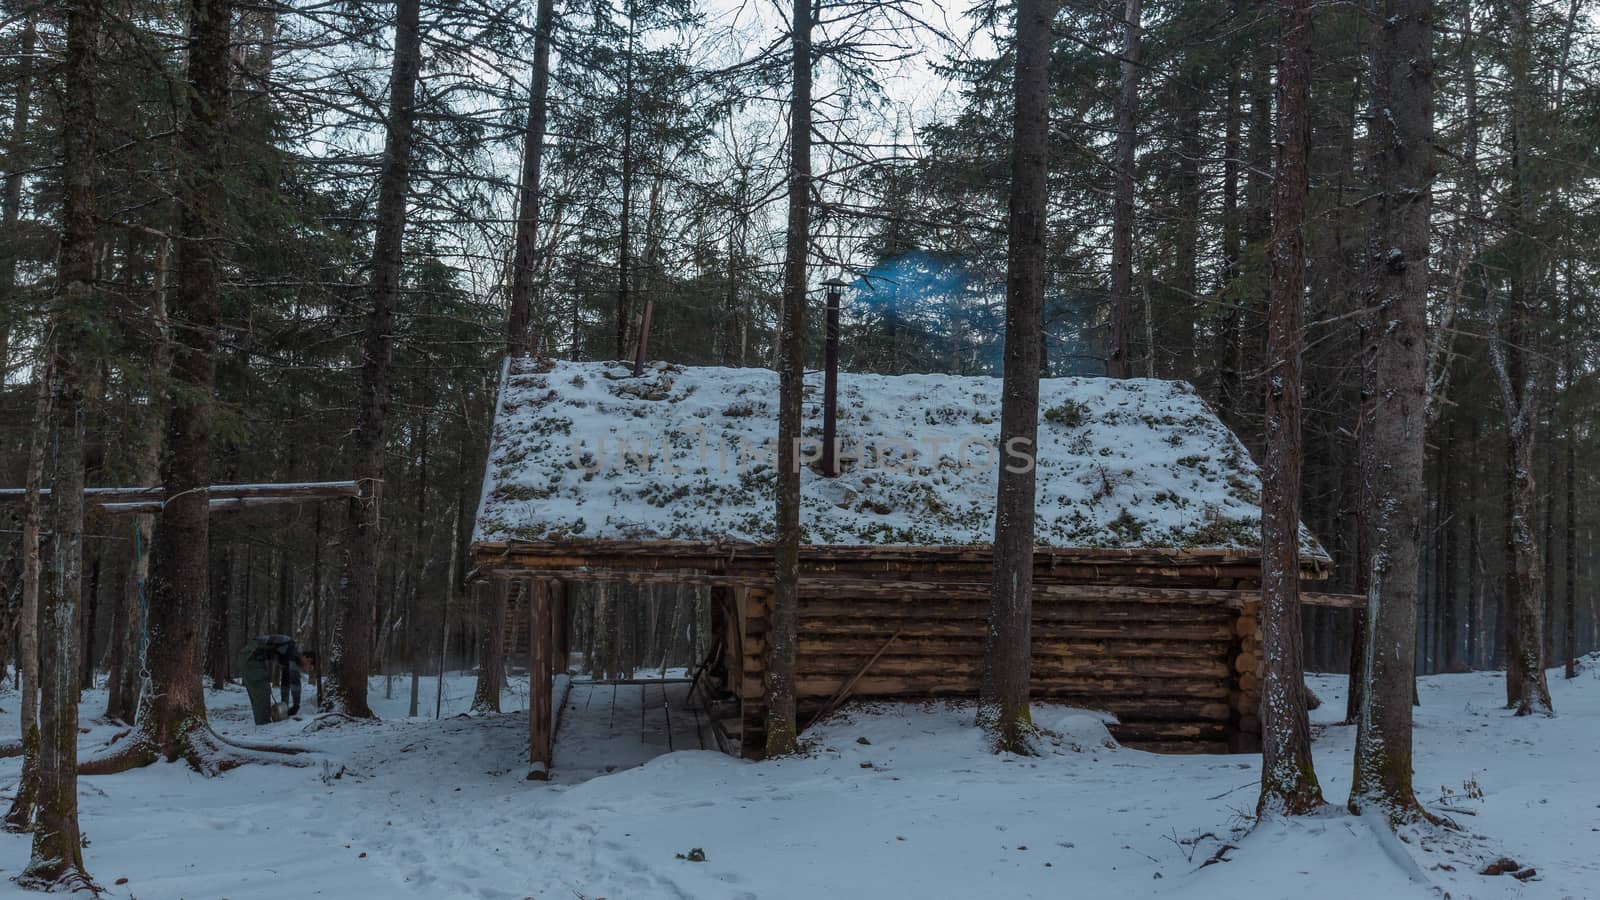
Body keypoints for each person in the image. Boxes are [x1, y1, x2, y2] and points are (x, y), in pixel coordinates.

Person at [239, 634, 316, 725]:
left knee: (260, 693)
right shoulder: (295, 653)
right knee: (262, 691)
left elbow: (285, 683)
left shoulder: (291, 656)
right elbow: (295, 683)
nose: (308, 670)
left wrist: (285, 706)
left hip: (251, 657)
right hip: (251, 655)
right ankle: (263, 728)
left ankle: (261, 725)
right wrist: (296, 705)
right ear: (308, 659)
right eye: (310, 668)